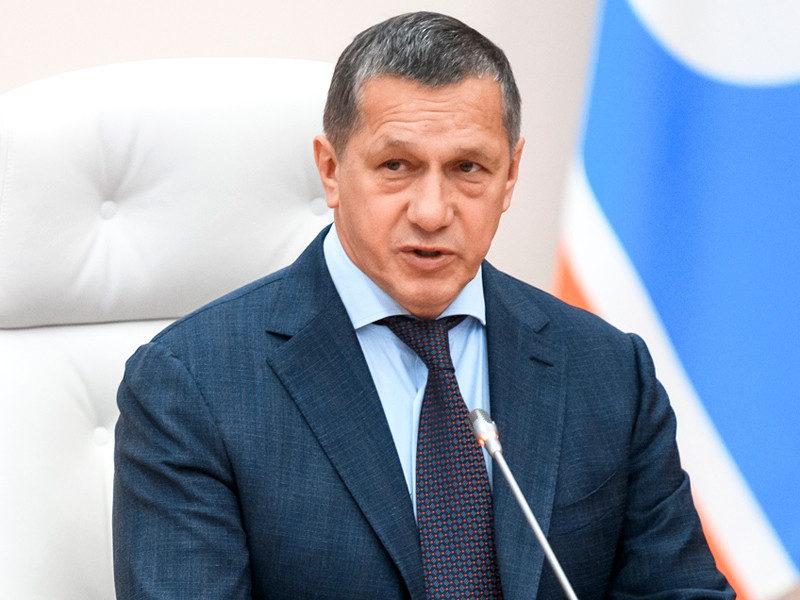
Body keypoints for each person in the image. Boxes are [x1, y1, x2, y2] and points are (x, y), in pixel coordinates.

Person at [113, 11, 734, 600]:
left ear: (510, 175)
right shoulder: (193, 384)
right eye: (396, 165)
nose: (432, 212)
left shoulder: (609, 370)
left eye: (468, 167)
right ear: (330, 170)